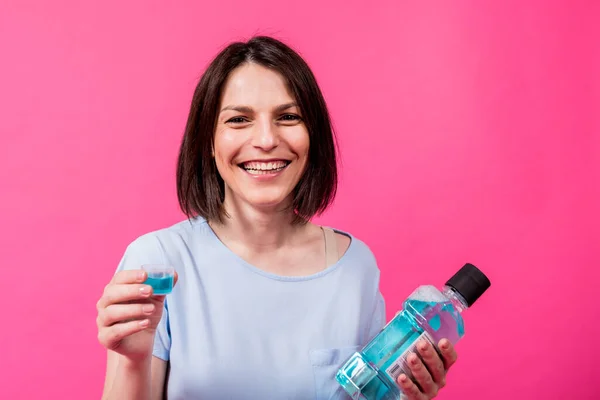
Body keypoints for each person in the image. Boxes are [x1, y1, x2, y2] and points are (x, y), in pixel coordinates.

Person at [96, 35, 458, 400]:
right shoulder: (159, 261)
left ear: (312, 135)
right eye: (239, 119)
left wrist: (408, 396)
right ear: (208, 140)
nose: (266, 140)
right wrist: (133, 361)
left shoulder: (356, 267)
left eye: (288, 117)